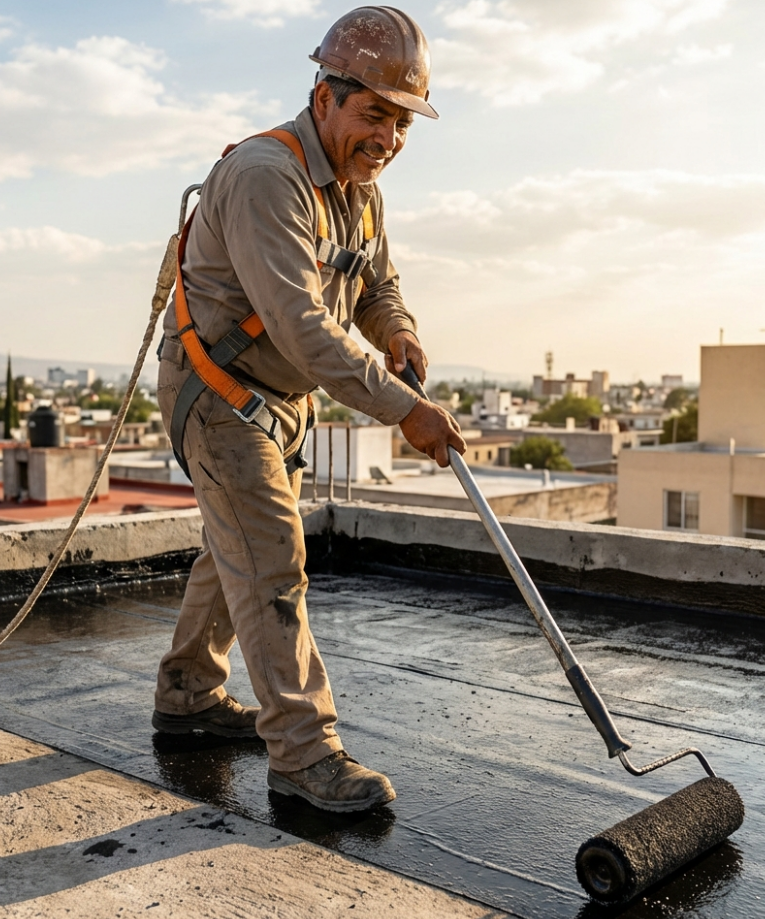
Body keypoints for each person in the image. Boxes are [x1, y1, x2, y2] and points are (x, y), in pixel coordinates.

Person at [151, 6, 465, 813]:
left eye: (401, 123)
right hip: (216, 392)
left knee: (237, 551)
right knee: (270, 559)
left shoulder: (360, 191)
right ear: (324, 95)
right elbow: (302, 323)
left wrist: (396, 330)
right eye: (374, 115)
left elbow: (374, 285)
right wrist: (403, 410)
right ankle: (302, 752)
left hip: (274, 396)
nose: (387, 138)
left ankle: (187, 693)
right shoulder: (267, 175)